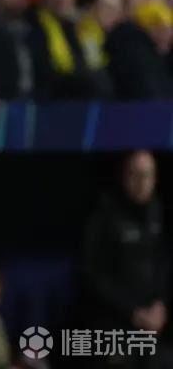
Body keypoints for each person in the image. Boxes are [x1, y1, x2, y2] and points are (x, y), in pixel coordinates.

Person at [81, 151, 169, 369]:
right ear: (124, 177)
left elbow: (163, 265)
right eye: (135, 175)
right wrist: (133, 313)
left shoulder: (158, 212)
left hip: (154, 321)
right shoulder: (104, 216)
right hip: (115, 322)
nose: (142, 183)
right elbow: (93, 277)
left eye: (147, 175)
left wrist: (161, 304)